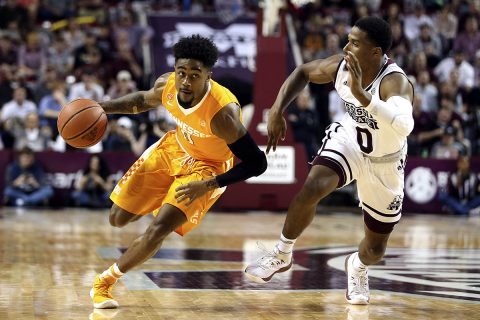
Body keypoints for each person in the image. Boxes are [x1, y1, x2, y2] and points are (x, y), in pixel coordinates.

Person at [244, 17, 414, 306]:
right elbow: (302, 72)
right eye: (348, 39)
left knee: (375, 250)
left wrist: (363, 97)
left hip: (385, 161)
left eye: (355, 43)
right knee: (313, 187)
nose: (346, 46)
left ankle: (358, 266)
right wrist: (276, 110)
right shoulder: (342, 66)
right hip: (350, 140)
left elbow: (404, 125)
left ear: (376, 52)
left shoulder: (394, 81)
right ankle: (282, 253)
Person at [89, 35, 267, 309]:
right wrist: (104, 107)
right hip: (172, 149)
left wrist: (209, 184)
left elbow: (258, 163)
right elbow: (143, 100)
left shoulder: (223, 115)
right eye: (181, 72)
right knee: (118, 219)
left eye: (195, 75)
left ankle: (104, 282)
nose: (186, 81)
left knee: (158, 229)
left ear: (208, 75)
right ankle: (163, 200)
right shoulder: (168, 84)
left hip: (206, 170)